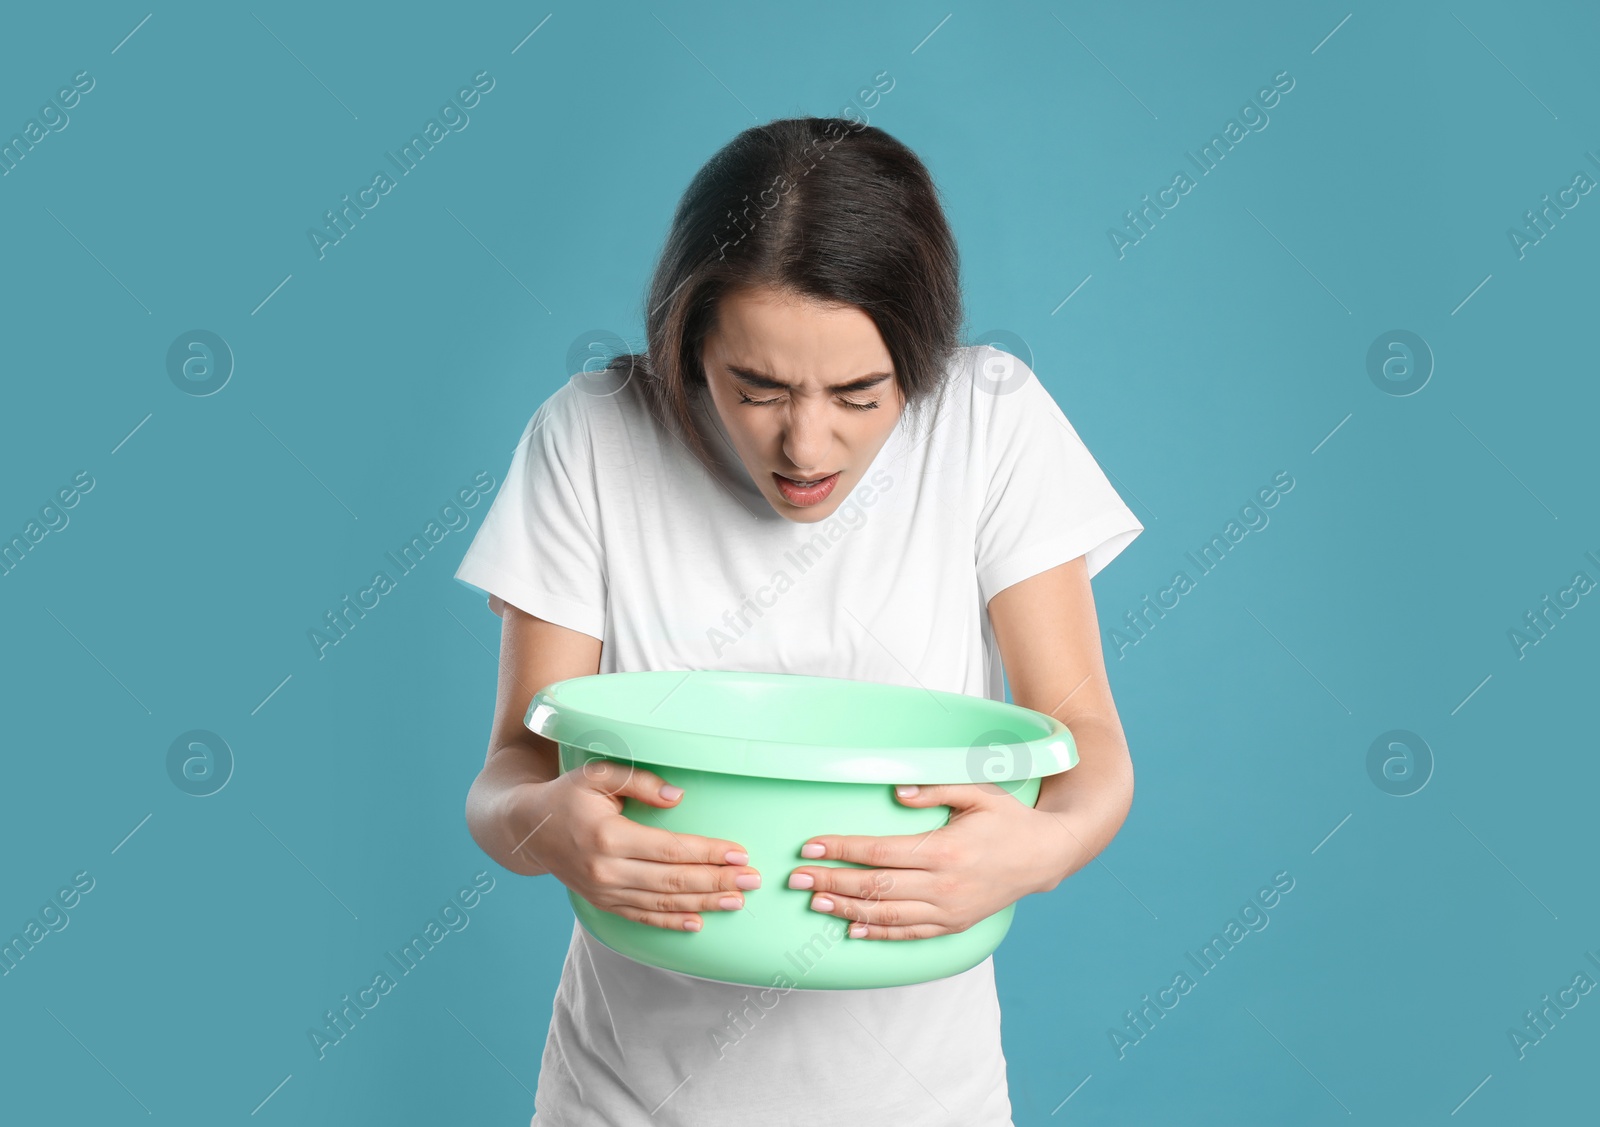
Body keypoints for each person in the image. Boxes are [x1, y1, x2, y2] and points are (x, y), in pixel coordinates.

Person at [453, 115, 1144, 1126]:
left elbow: (1089, 746)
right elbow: (507, 774)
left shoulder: (990, 420)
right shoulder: (592, 436)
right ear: (687, 343)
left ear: (918, 358)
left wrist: (1038, 850)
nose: (804, 443)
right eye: (757, 387)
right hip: (625, 1096)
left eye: (861, 394)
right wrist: (546, 828)